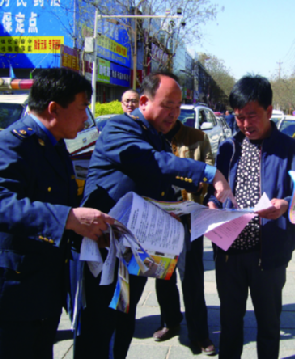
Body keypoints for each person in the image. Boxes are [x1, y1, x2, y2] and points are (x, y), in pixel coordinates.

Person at [73, 71, 233, 359]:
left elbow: (162, 182)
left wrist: (185, 205)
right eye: (167, 105)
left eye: (178, 106)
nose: (174, 114)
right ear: (144, 101)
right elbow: (156, 163)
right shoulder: (119, 128)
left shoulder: (155, 137)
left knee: (123, 325)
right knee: (99, 331)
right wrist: (211, 173)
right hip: (103, 251)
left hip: (133, 252)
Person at [0, 68, 114, 359]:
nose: (85, 116)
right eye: (81, 108)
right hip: (8, 296)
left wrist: (89, 230)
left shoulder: (55, 145)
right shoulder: (12, 144)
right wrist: (68, 219)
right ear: (54, 108)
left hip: (41, 295)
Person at [207, 75, 295, 359]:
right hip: (228, 252)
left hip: (268, 255)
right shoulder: (228, 148)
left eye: (251, 116)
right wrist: (211, 204)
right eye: (239, 117)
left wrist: (285, 204)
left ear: (268, 111)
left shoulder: (293, 151)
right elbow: (213, 188)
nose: (244, 124)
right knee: (229, 324)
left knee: (269, 325)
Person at [151, 118, 216, 354]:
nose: (168, 114)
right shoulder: (151, 136)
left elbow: (208, 171)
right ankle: (170, 320)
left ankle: (199, 333)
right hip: (159, 216)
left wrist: (199, 184)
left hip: (189, 216)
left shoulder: (197, 136)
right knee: (162, 273)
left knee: (192, 276)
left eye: (174, 106)